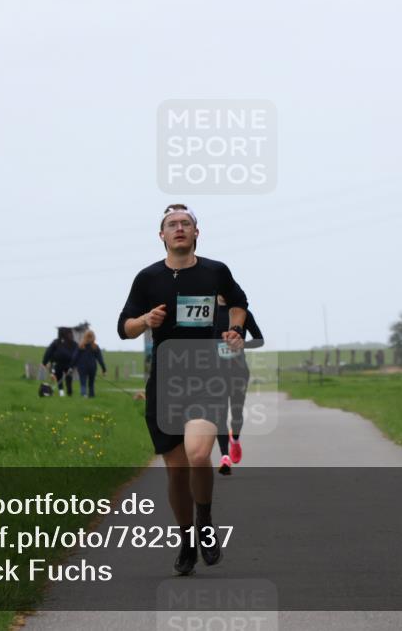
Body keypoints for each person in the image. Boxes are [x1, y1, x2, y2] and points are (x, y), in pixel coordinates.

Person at [118, 204, 248, 576]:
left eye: (185, 224)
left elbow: (239, 303)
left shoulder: (214, 272)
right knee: (175, 471)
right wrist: (144, 320)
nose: (179, 229)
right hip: (166, 381)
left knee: (197, 453)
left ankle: (205, 521)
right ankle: (187, 538)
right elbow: (123, 327)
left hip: (206, 376)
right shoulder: (147, 278)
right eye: (172, 225)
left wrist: (235, 331)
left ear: (196, 233)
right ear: (161, 235)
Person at [213, 295, 264, 476]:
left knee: (235, 412)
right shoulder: (208, 314)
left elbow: (259, 339)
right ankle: (224, 456)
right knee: (219, 413)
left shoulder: (242, 314)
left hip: (238, 371)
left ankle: (235, 439)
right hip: (215, 373)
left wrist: (243, 343)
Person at [71, 329, 107, 398]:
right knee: (91, 383)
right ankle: (91, 395)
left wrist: (71, 367)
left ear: (85, 336)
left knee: (83, 382)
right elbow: (100, 359)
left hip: (82, 367)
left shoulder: (81, 346)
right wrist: (104, 369)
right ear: (94, 337)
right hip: (92, 367)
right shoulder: (95, 347)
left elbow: (74, 357)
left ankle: (84, 395)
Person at [42, 327, 77, 397]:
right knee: (68, 378)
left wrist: (44, 362)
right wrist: (75, 364)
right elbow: (77, 354)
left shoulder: (56, 342)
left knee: (59, 377)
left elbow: (48, 352)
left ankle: (62, 392)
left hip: (58, 363)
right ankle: (69, 392)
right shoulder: (73, 343)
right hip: (69, 364)